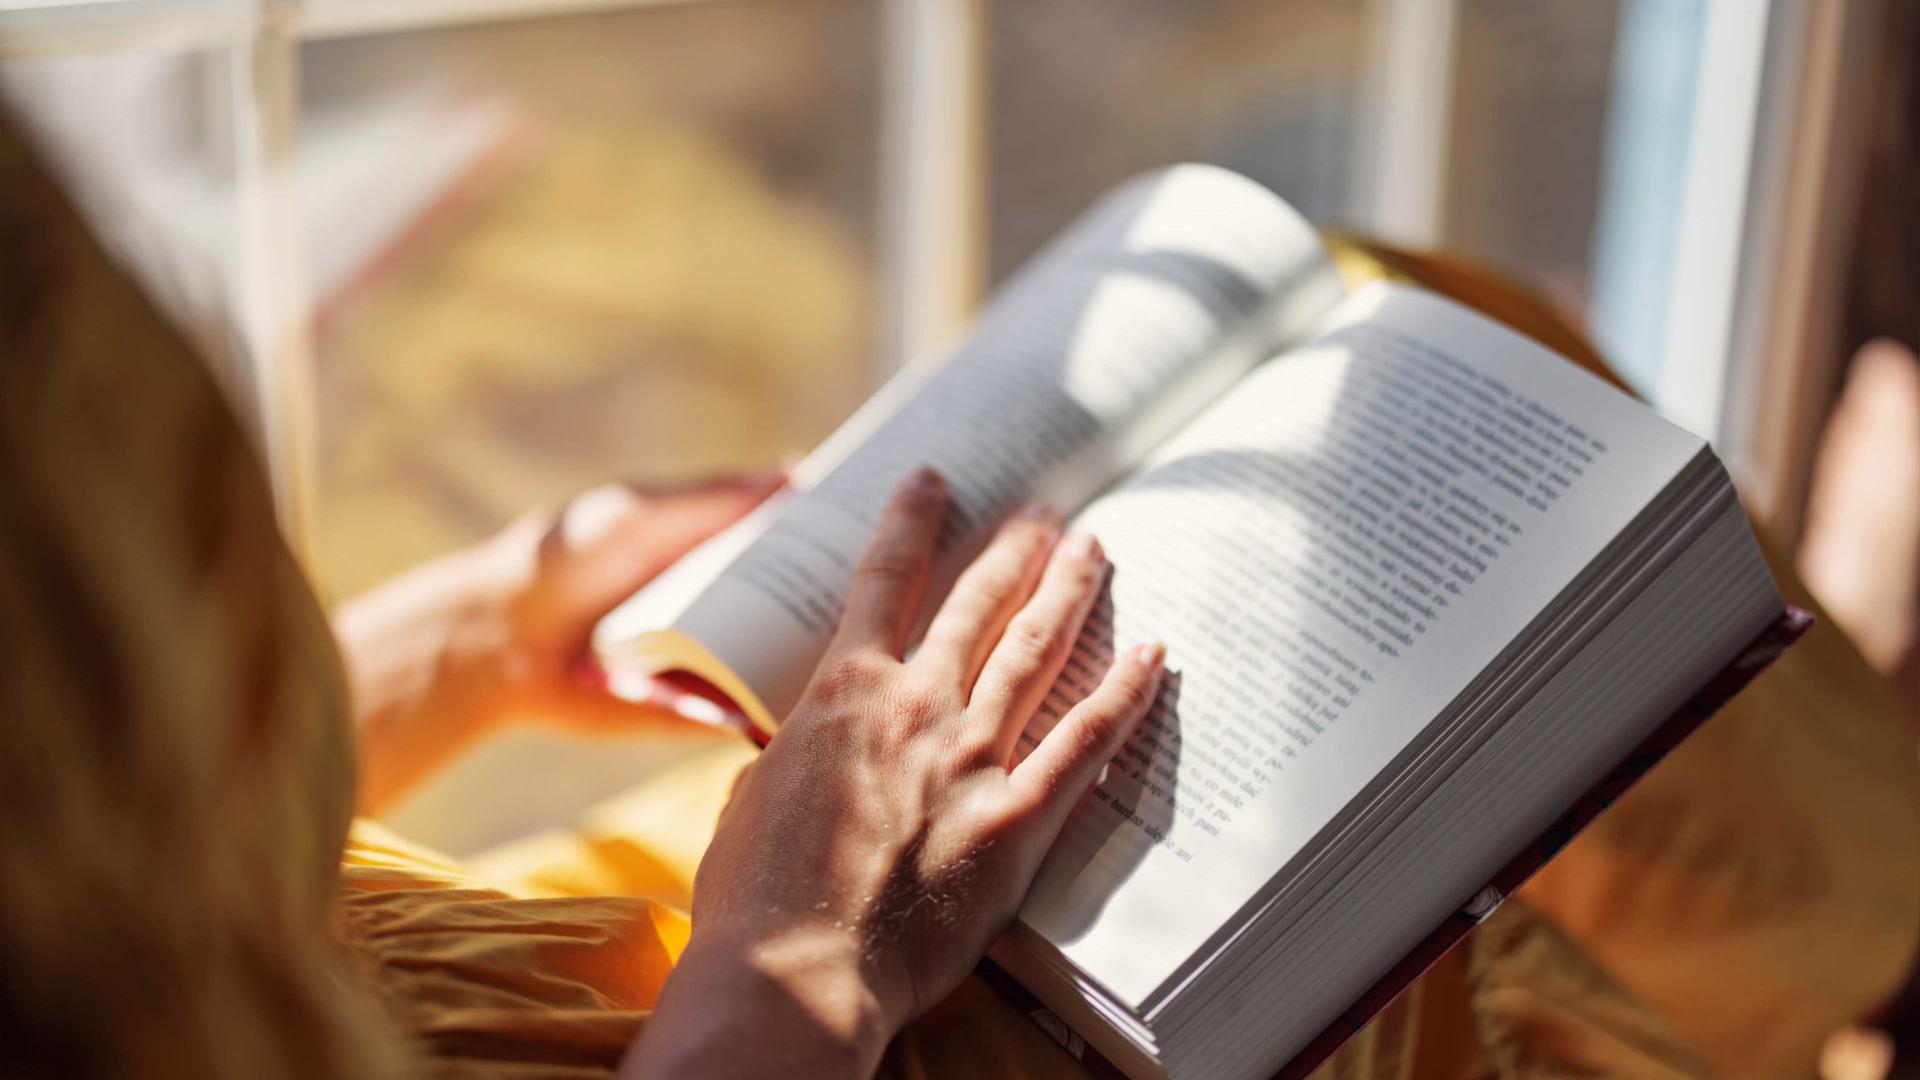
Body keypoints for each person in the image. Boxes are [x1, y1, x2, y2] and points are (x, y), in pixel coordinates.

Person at [5, 105, 1915, 1080]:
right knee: (1414, 896)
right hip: (761, 1019)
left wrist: (483, 631)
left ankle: (1836, 806)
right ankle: (1863, 877)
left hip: (528, 945)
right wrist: (797, 971)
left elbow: (69, 813)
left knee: (1370, 304)